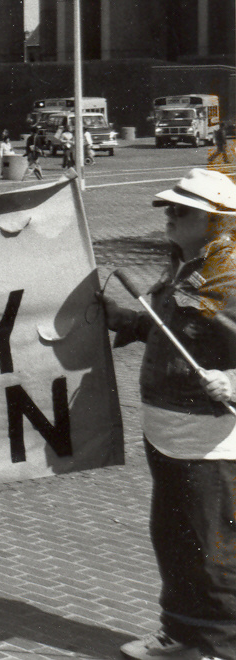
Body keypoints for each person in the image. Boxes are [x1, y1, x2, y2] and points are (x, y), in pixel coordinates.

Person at [98, 169, 236, 660]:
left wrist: (233, 380)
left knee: (212, 550)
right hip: (165, 433)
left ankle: (220, 647)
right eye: (169, 209)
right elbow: (165, 325)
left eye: (183, 210)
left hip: (212, 440)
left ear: (219, 221)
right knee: (175, 541)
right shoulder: (181, 266)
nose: (170, 217)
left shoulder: (232, 277)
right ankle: (182, 635)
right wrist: (126, 321)